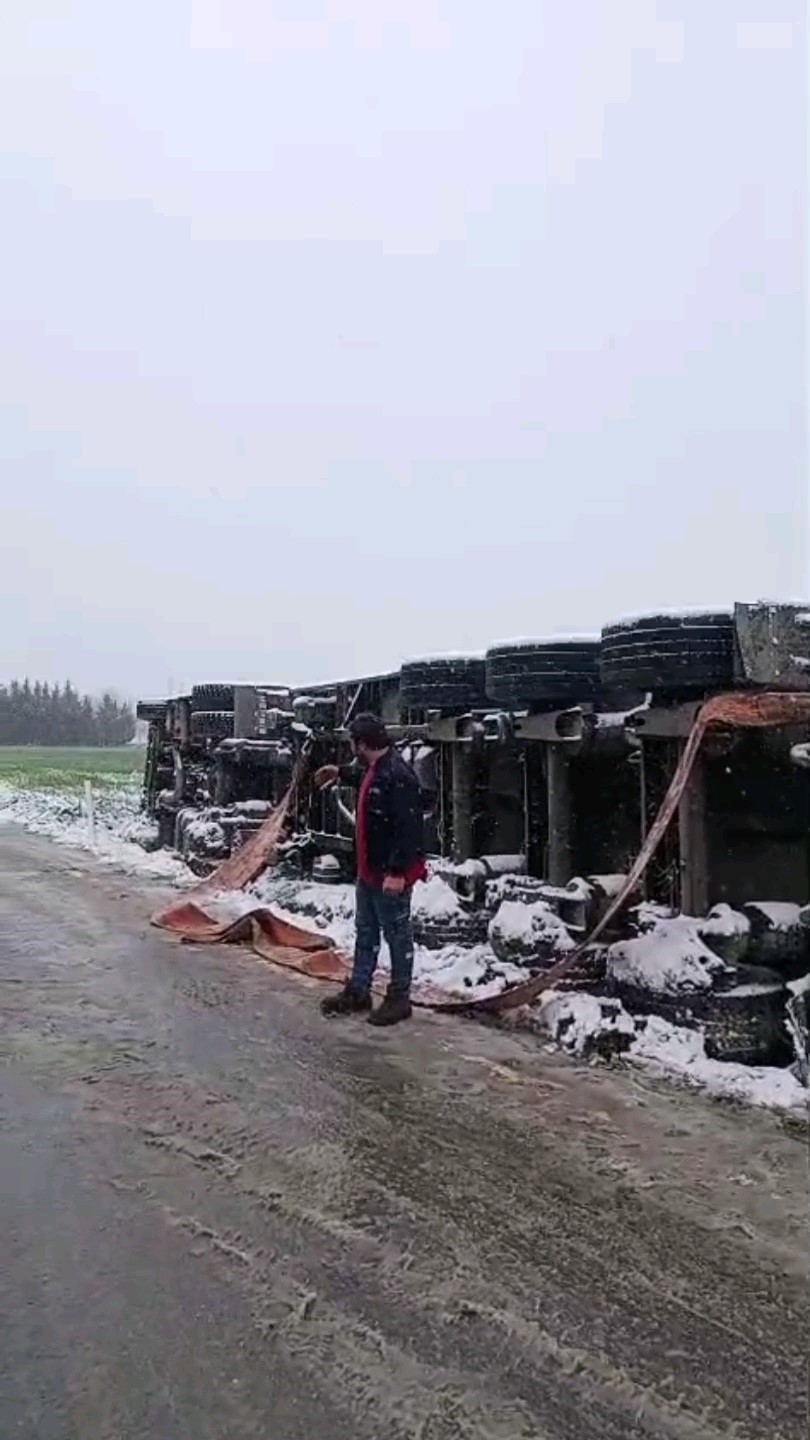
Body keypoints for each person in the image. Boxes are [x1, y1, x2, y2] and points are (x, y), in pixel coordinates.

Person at [312, 713, 426, 1025]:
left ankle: (400, 997)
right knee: (366, 933)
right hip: (369, 871)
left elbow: (408, 829)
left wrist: (397, 873)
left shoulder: (398, 776)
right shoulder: (377, 769)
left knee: (397, 936)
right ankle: (359, 991)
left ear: (361, 744)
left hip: (389, 875)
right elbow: (365, 776)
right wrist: (339, 772)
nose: (351, 749)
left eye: (352, 744)